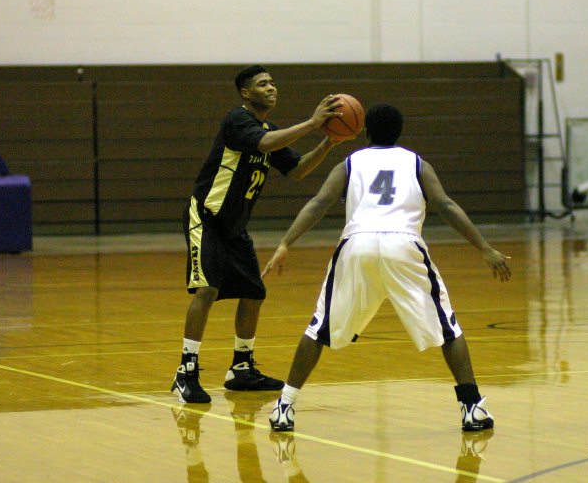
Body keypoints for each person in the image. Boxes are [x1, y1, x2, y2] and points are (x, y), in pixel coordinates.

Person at [261, 103, 512, 432]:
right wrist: (485, 247)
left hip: (357, 245)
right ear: (399, 132)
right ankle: (472, 407)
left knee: (319, 328)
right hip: (404, 245)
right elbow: (446, 205)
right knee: (447, 329)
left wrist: (286, 243)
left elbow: (319, 203)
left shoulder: (349, 163)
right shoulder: (417, 163)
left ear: (364, 132)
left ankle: (285, 406)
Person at [172, 65, 353, 404]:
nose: (271, 88)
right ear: (245, 93)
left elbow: (297, 170)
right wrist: (314, 123)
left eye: (272, 82)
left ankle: (241, 368)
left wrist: (329, 141)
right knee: (207, 289)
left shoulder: (270, 128)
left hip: (235, 226)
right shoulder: (238, 121)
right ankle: (186, 372)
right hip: (207, 216)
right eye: (262, 84)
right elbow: (265, 143)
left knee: (254, 292)